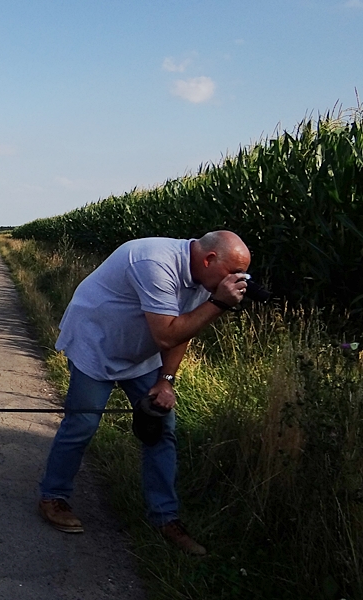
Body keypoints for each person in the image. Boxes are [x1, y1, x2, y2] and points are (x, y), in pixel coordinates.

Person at [37, 230, 251, 556]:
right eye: (232, 273)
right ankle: (53, 496)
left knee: (161, 428)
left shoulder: (202, 279)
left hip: (141, 355)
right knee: (82, 424)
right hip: (96, 345)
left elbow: (184, 332)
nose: (236, 281)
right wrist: (219, 303)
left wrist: (166, 380)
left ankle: (165, 517)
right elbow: (168, 335)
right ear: (209, 259)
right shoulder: (155, 262)